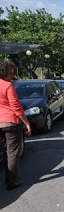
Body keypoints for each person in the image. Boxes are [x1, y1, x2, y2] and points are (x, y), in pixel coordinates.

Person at [0, 60, 31, 190]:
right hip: (10, 122)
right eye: (10, 73)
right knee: (12, 153)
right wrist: (26, 122)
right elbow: (15, 106)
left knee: (3, 152)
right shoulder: (8, 86)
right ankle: (12, 181)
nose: (12, 76)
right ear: (4, 73)